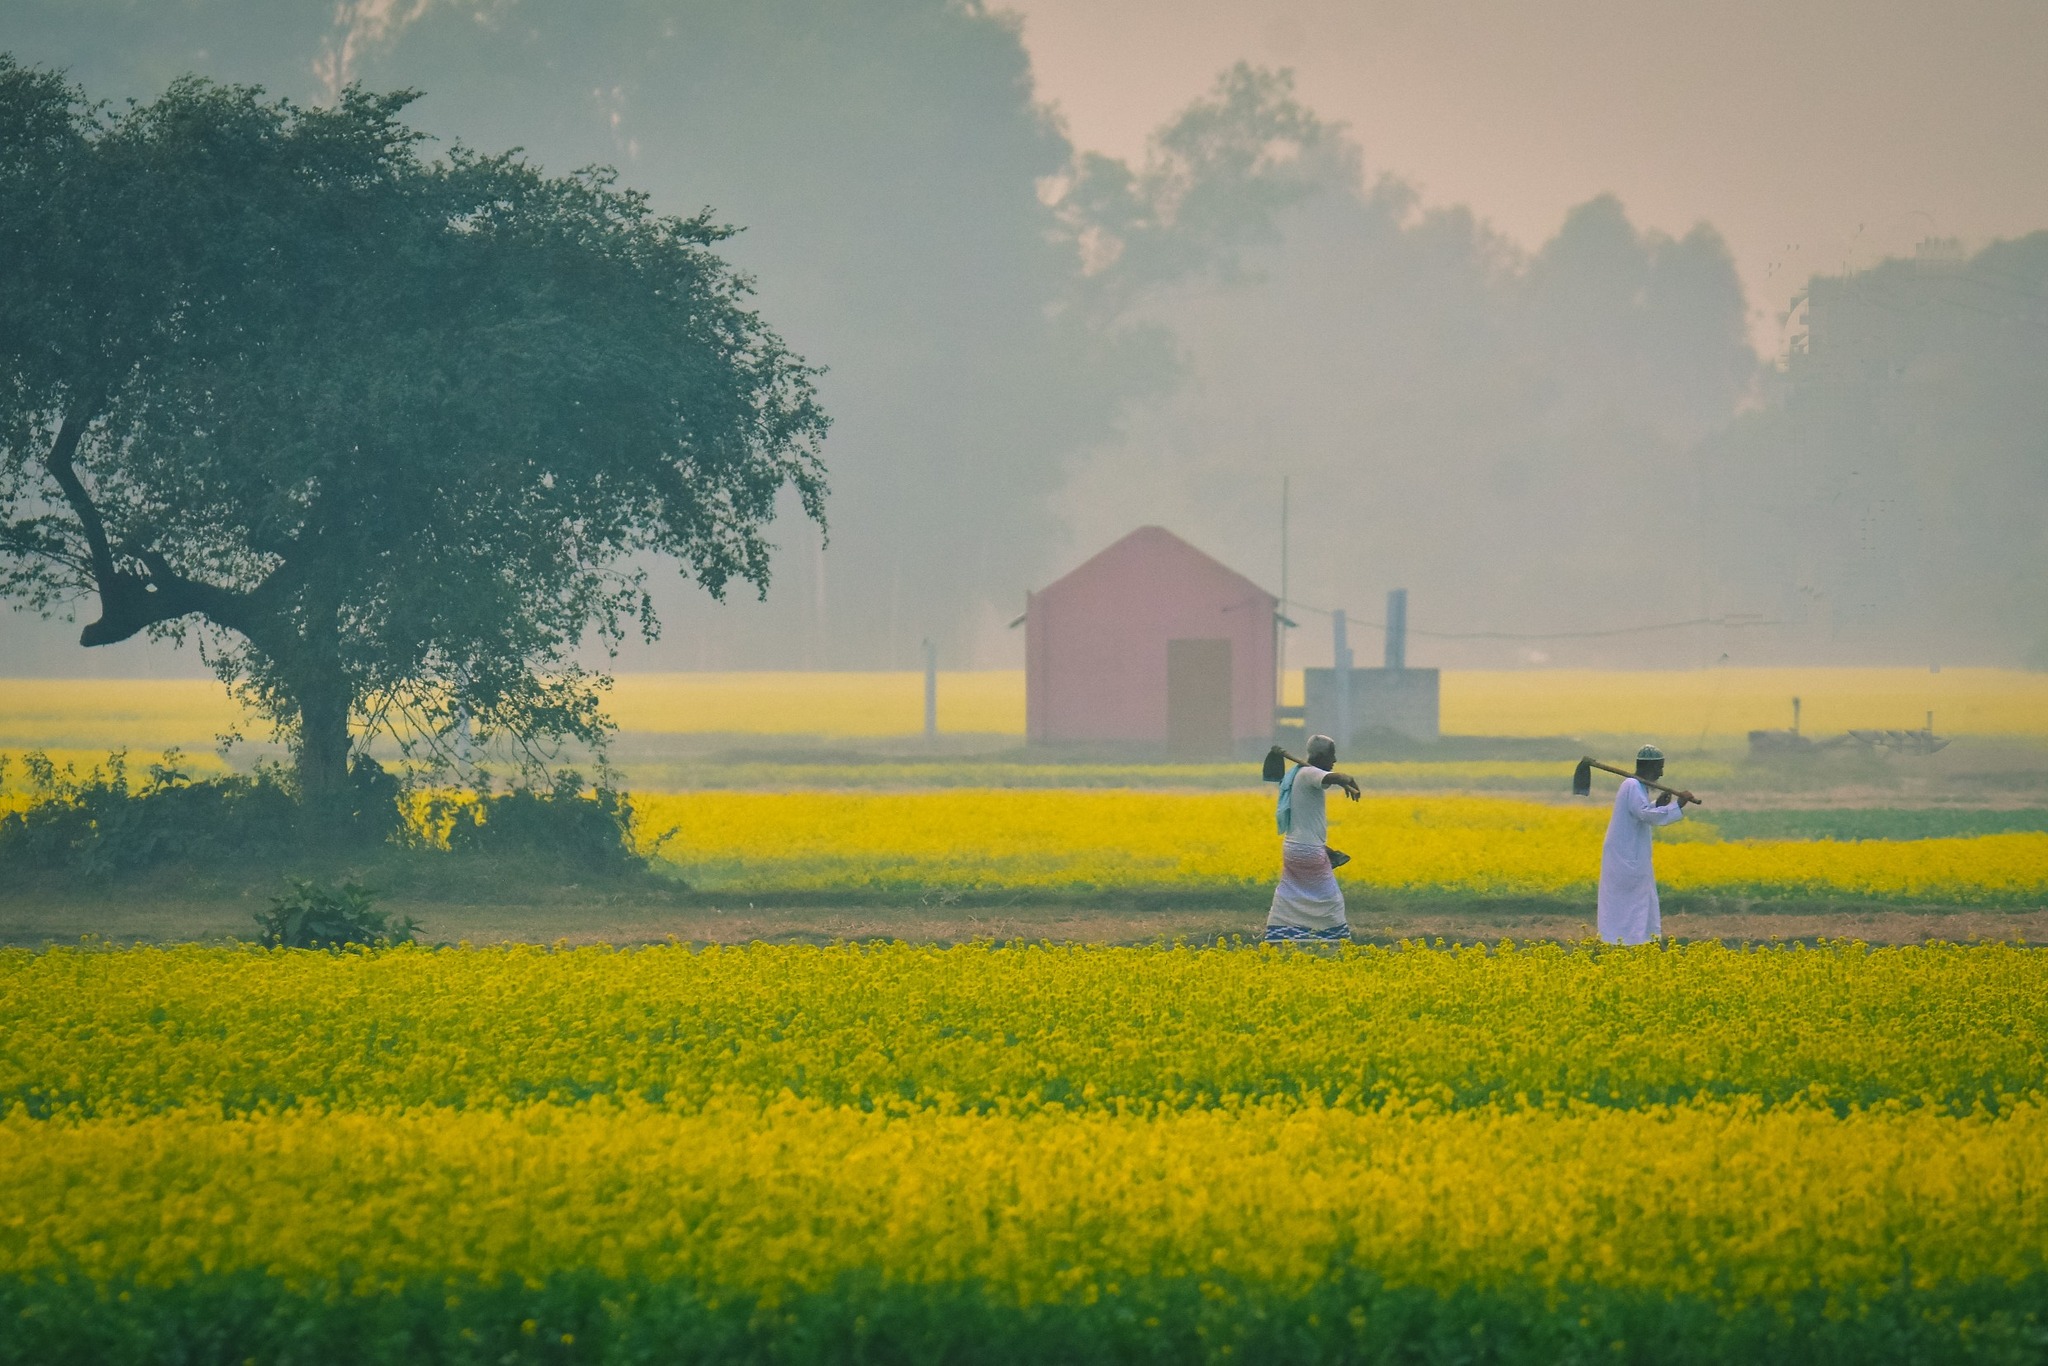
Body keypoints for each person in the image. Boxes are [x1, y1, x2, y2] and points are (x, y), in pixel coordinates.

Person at [1265, 734, 1362, 944]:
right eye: (1331, 755)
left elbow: (1328, 777)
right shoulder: (1309, 773)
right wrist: (1348, 779)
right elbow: (1333, 777)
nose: (1334, 760)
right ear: (1319, 756)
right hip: (1307, 850)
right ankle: (1333, 940)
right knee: (1330, 900)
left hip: (1294, 847)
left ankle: (1282, 935)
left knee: (1290, 894)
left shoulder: (1299, 774)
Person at [1597, 744, 1696, 945]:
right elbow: (1644, 814)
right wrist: (1677, 805)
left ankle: (1639, 942)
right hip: (1625, 858)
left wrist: (1657, 805)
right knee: (1628, 904)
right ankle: (1623, 942)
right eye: (1659, 768)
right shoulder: (1632, 785)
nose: (1661, 774)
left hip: (1631, 856)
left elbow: (1641, 811)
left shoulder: (1637, 786)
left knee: (1638, 902)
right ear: (1649, 768)